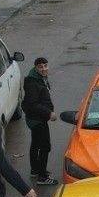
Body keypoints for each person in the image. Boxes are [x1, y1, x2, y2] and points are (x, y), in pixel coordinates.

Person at [22, 57, 58, 185]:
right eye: (41, 67)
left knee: (36, 144)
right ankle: (42, 178)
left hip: (36, 118)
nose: (44, 69)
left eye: (45, 66)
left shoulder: (38, 78)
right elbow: (33, 104)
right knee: (45, 146)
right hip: (37, 120)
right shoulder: (33, 83)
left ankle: (35, 170)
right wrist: (49, 113)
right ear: (36, 68)